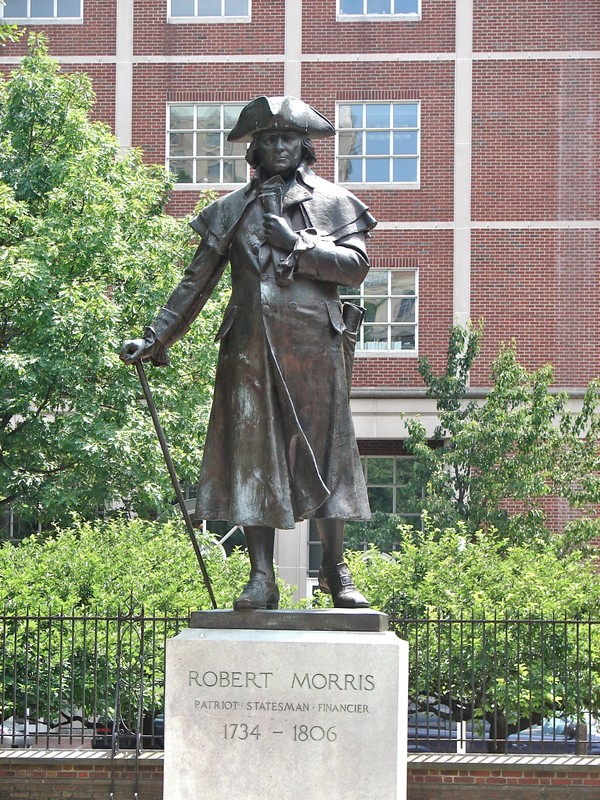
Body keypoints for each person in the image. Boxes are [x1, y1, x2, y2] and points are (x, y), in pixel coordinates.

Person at [120, 96, 376, 611]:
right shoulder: (230, 210)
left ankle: (334, 568)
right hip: (249, 348)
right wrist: (156, 336)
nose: (278, 146)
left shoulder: (334, 202)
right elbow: (196, 282)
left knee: (326, 454)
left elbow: (354, 268)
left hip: (314, 347)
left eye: (287, 138)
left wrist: (299, 245)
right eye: (268, 139)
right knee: (251, 460)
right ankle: (261, 577)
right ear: (253, 149)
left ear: (304, 145)